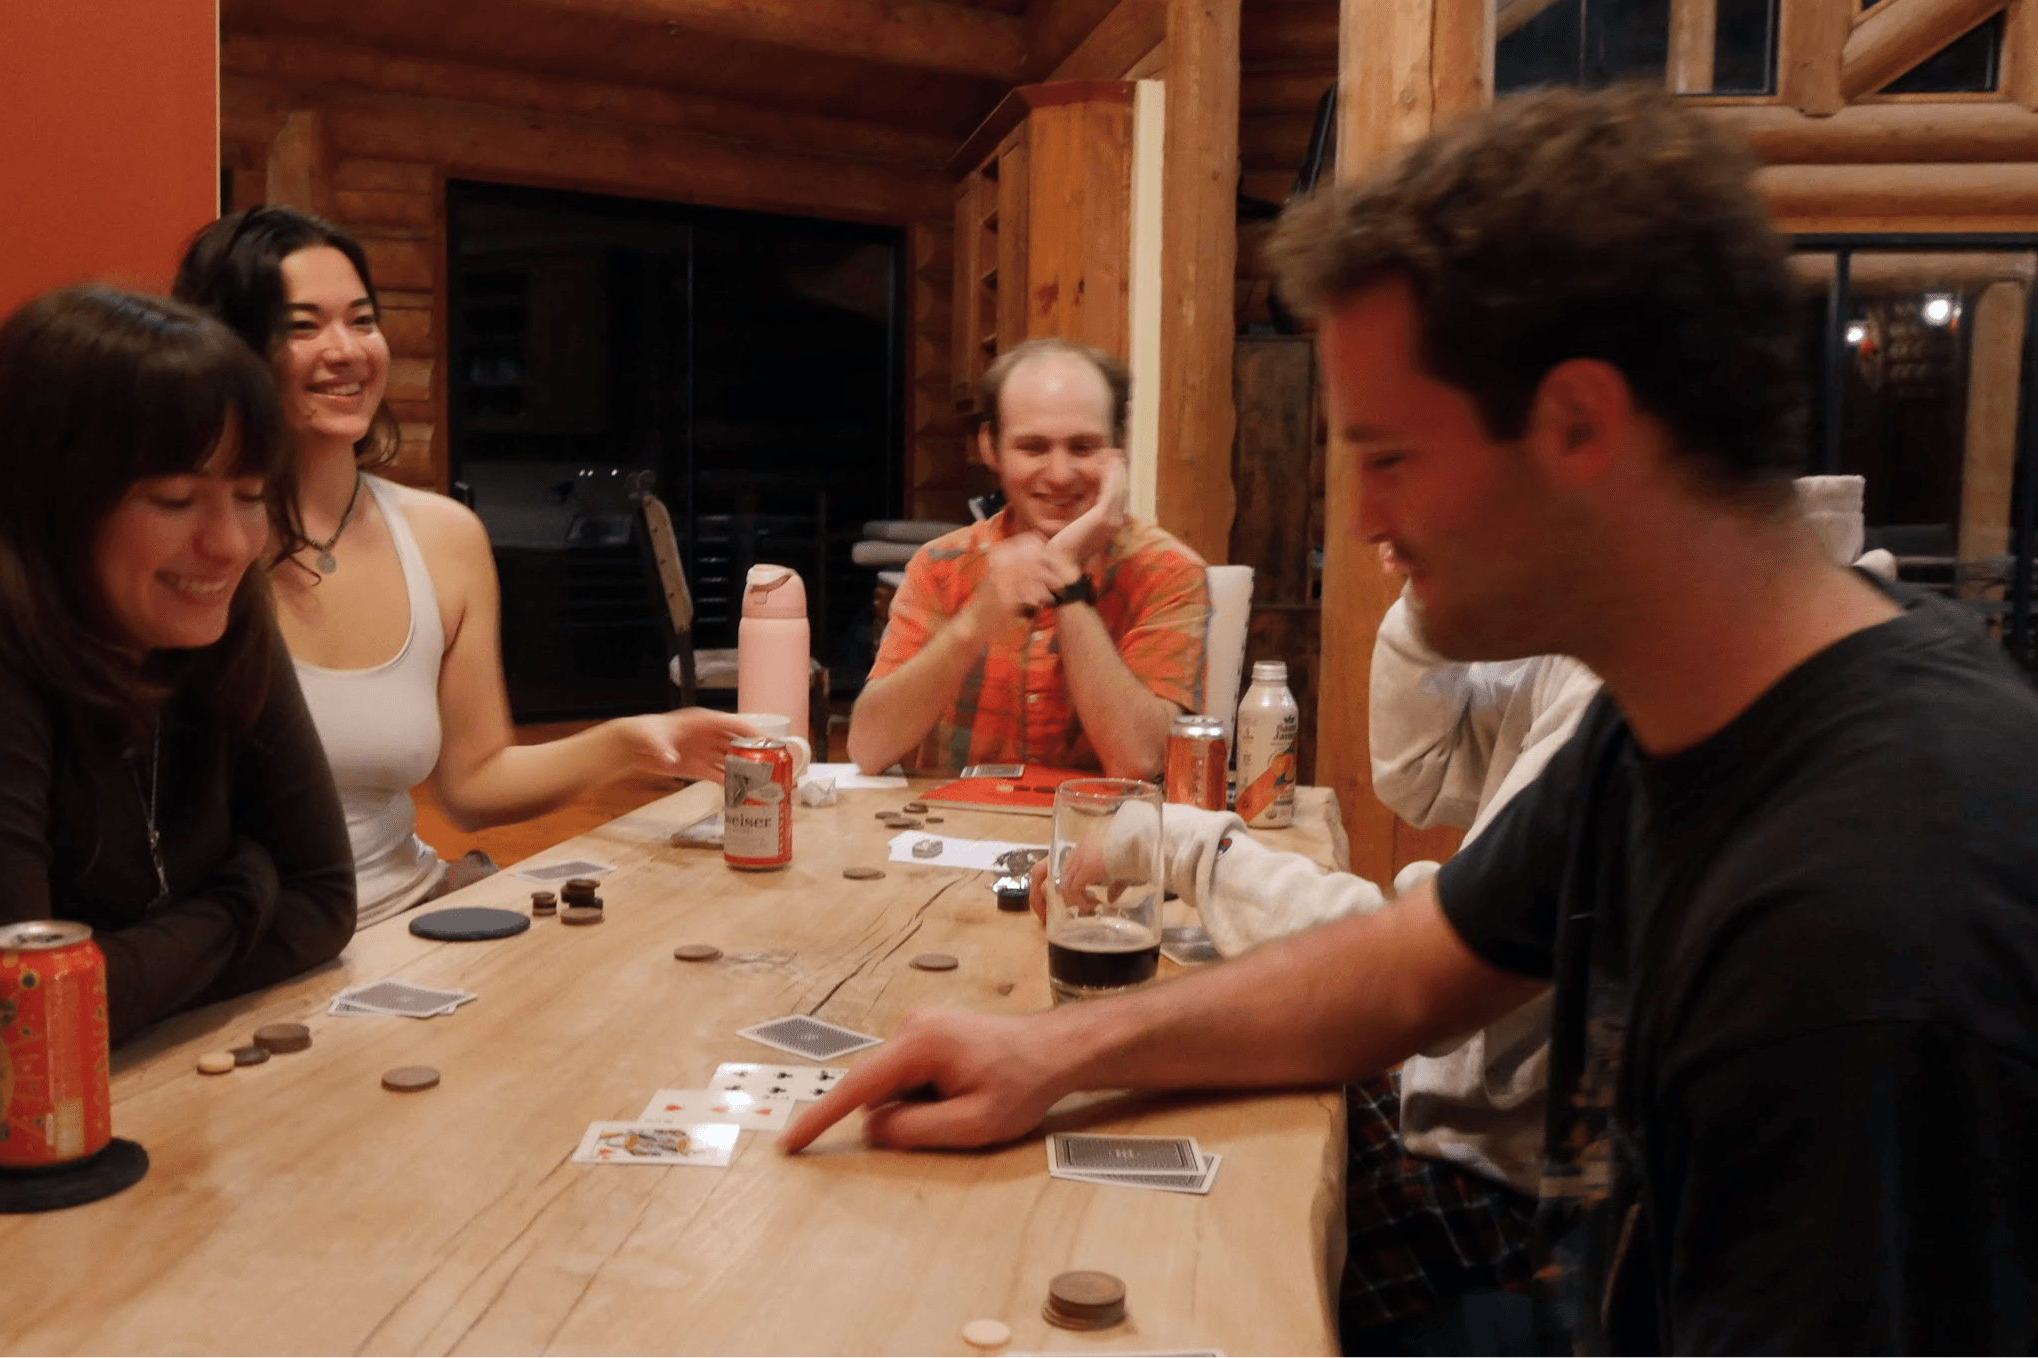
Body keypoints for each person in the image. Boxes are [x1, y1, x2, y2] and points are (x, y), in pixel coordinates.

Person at [784, 87, 2038, 1356]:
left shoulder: (1868, 919)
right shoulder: (1669, 715)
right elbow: (1405, 972)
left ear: (1578, 427)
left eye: (1389, 453)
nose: (1366, 516)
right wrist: (1052, 1053)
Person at [0, 286, 357, 1134]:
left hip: (147, 1097)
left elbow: (325, 899)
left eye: (251, 492)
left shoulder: (212, 603)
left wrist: (102, 976)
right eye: (174, 499)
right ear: (49, 496)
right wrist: (240, 899)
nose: (228, 542)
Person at [175, 208, 751, 927]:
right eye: (302, 326)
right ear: (232, 349)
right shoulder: (190, 549)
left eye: (362, 320)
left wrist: (637, 742)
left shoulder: (445, 537)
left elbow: (473, 784)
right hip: (244, 951)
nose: (346, 349)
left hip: (406, 919)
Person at [848, 338, 1209, 778]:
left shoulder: (1169, 572)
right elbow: (868, 749)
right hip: (952, 833)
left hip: (1100, 838)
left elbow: (1137, 761)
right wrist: (975, 622)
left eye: (1083, 447)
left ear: (1118, 449)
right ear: (991, 448)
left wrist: (1066, 579)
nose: (1059, 475)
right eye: (1033, 448)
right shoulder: (940, 564)